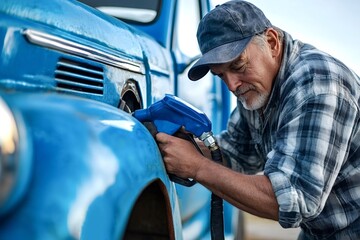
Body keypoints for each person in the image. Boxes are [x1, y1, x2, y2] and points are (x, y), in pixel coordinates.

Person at [156, 0, 360, 239]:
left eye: (238, 66)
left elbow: (293, 200)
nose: (232, 85)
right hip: (321, 231)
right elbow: (236, 154)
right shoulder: (257, 88)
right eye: (221, 76)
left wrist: (197, 166)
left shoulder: (317, 83)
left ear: (272, 42)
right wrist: (179, 146)